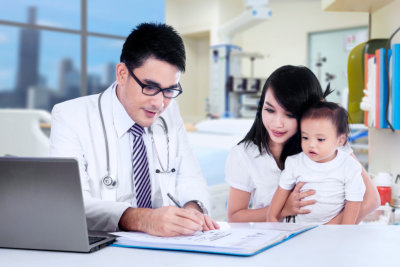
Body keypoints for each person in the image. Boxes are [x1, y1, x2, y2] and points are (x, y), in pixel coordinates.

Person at [50, 22, 219, 236]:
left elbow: (190, 177)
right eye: (150, 87)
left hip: (165, 248)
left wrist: (192, 210)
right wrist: (143, 219)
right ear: (122, 74)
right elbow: (71, 203)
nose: (159, 103)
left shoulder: (170, 109)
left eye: (169, 90)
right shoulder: (71, 116)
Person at [225, 65, 379, 223]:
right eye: (270, 110)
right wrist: (284, 209)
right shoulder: (244, 154)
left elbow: (371, 199)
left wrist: (327, 231)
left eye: (290, 114)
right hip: (273, 242)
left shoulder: (328, 146)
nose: (277, 124)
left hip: (329, 241)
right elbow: (235, 216)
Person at [268, 97, 365, 224]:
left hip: (333, 233)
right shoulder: (295, 163)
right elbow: (274, 211)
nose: (311, 145)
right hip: (297, 231)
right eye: (305, 137)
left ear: (340, 140)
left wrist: (344, 234)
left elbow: (354, 203)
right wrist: (272, 223)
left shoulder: (349, 166)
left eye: (320, 139)